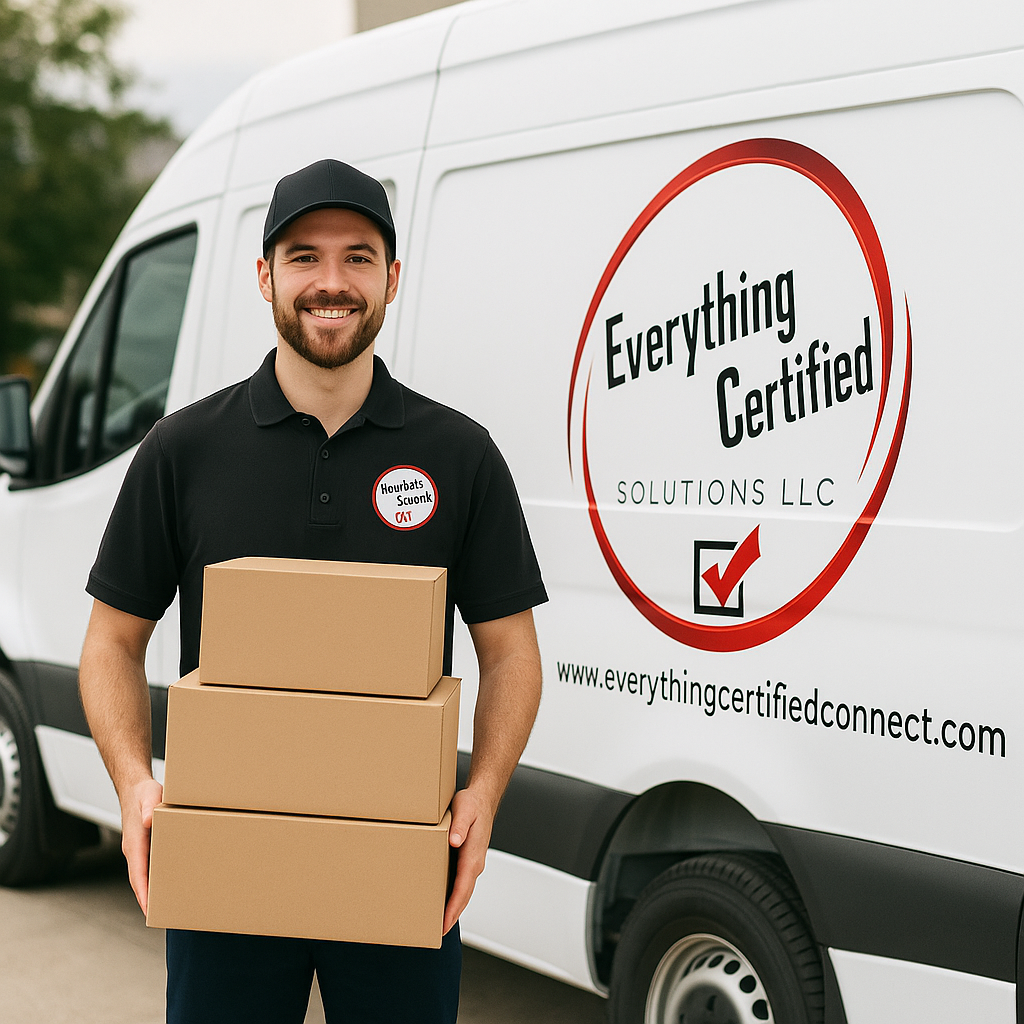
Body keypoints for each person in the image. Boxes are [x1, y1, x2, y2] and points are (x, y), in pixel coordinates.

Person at [78, 158, 547, 1024]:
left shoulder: (460, 455)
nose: (331, 282)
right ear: (264, 276)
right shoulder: (184, 450)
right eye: (304, 256)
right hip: (227, 864)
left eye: (358, 257)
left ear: (392, 278)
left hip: (399, 859)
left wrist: (483, 795)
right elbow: (111, 641)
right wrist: (134, 783)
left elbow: (511, 652)